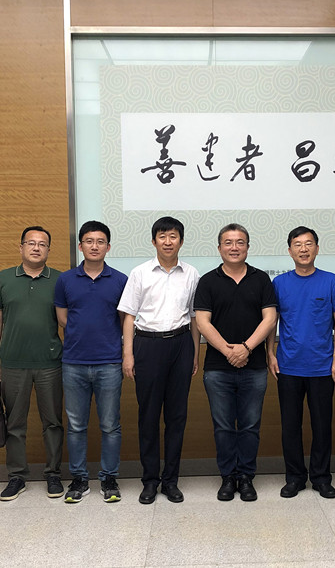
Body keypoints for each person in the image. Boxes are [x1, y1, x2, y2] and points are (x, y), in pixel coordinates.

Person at [118, 216, 200, 504]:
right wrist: (128, 354)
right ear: (154, 241)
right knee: (149, 416)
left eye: (173, 236)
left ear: (181, 241)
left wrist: (194, 353)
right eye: (162, 236)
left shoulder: (191, 274)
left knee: (177, 416)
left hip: (181, 345)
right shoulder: (140, 273)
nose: (168, 241)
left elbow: (195, 318)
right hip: (147, 346)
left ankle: (171, 481)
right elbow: (128, 316)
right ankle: (150, 481)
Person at [194, 224, 277, 502]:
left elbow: (270, 318)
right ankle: (228, 477)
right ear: (219, 248)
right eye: (228, 242)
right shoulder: (208, 281)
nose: (234, 247)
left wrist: (246, 348)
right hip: (218, 368)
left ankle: (246, 477)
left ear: (248, 247)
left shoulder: (261, 279)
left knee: (251, 426)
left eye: (240, 242)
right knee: (224, 427)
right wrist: (229, 351)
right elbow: (202, 322)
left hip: (254, 367)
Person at [266, 226, 335, 499]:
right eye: (298, 244)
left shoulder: (331, 281)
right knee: (290, 426)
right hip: (288, 365)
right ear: (290, 250)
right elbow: (272, 321)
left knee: (322, 425)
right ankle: (295, 478)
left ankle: (322, 478)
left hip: (322, 366)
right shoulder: (279, 283)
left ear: (317, 248)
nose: (303, 249)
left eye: (309, 243)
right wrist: (270, 353)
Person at [0, 226, 64, 501]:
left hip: (50, 363)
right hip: (13, 363)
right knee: (15, 424)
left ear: (48, 250)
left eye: (42, 244)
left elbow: (66, 321)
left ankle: (53, 474)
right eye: (30, 243)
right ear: (20, 247)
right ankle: (17, 476)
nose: (36, 248)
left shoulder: (60, 280)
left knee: (53, 422)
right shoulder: (4, 278)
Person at [54, 220, 128, 504]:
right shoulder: (65, 280)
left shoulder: (120, 280)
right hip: (73, 363)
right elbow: (63, 318)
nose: (94, 246)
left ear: (108, 247)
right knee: (76, 425)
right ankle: (79, 479)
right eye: (89, 241)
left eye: (100, 241)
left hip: (109, 363)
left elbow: (124, 321)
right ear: (80, 245)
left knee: (110, 425)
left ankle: (109, 478)